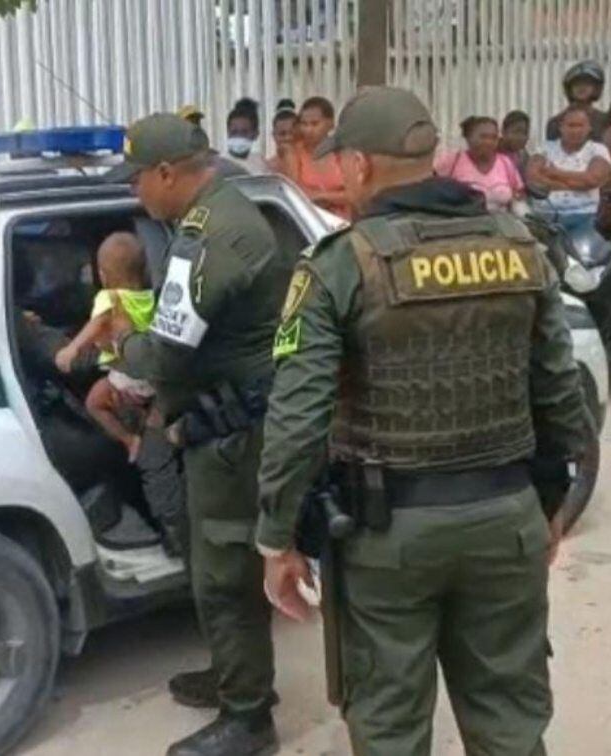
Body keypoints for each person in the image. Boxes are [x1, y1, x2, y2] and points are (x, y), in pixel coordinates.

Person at [256, 86, 593, 755]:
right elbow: (560, 397)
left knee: (388, 727)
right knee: (511, 723)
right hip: (507, 518)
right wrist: (549, 503)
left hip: (389, 538)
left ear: (358, 165)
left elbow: (297, 420)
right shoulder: (519, 245)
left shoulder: (339, 266)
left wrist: (277, 539)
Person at [106, 113, 292, 756]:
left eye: (136, 180)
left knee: (224, 574)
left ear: (165, 173)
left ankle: (249, 717)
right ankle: (234, 676)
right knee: (220, 565)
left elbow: (166, 355)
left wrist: (118, 345)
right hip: (226, 422)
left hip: (234, 433)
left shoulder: (206, 237)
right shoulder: (225, 213)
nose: (135, 193)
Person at [55, 232, 157, 462]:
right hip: (150, 379)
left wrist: (73, 348)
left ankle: (130, 441)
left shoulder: (110, 297)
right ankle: (143, 426)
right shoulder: (150, 298)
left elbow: (98, 323)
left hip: (124, 374)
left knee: (94, 403)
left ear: (102, 275)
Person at [527, 104, 611, 235]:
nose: (575, 130)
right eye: (571, 125)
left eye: (580, 125)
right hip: (544, 217)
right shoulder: (544, 148)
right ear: (561, 127)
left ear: (589, 128)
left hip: (585, 217)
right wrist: (580, 184)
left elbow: (593, 179)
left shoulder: (598, 150)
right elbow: (533, 178)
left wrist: (554, 173)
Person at [434, 116, 525, 212]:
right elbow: (430, 185)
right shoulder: (452, 160)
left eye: (493, 137)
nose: (489, 142)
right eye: (483, 137)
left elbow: (519, 194)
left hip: (500, 223)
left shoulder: (505, 163)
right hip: (462, 223)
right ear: (468, 137)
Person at [282, 96, 351, 218]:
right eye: (304, 124)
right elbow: (294, 192)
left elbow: (356, 195)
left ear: (330, 124)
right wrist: (336, 196)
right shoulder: (294, 153)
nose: (309, 130)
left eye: (315, 124)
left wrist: (322, 196)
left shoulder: (342, 151)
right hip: (310, 222)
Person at [546, 60, 608, 142]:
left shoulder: (604, 121)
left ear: (596, 88)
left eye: (587, 83)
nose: (581, 87)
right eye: (576, 84)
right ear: (569, 89)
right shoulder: (556, 122)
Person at [225, 98, 269, 175]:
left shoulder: (260, 163)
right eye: (234, 132)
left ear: (255, 134)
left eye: (244, 132)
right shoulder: (219, 164)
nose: (238, 137)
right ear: (228, 133)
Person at [266, 107, 299, 173]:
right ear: (274, 136)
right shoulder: (268, 168)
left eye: (292, 133)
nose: (288, 138)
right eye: (282, 134)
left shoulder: (309, 163)